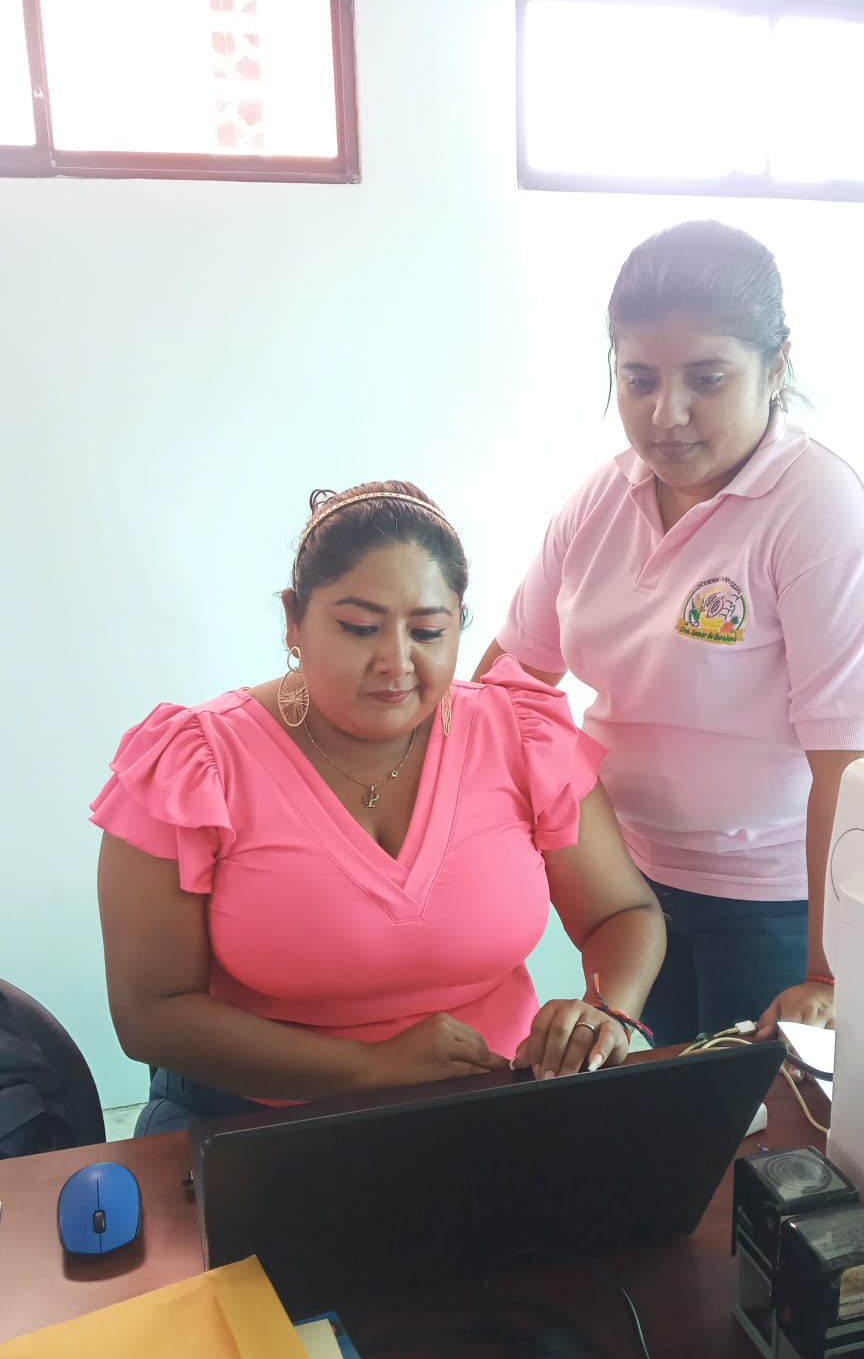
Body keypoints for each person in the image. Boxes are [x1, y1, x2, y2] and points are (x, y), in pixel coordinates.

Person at [92, 482, 665, 1133]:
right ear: (293, 619)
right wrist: (369, 1068)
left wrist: (604, 1010)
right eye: (360, 627)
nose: (396, 663)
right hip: (254, 1119)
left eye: (428, 631)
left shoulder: (521, 736)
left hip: (494, 1098)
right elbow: (151, 1013)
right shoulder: (192, 766)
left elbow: (623, 913)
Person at [476, 220, 864, 1047]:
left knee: (754, 1115)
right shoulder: (601, 499)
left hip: (773, 904)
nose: (667, 415)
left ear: (778, 365)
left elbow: (847, 761)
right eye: (639, 379)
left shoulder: (818, 509)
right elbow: (507, 682)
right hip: (627, 890)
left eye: (707, 379)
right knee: (646, 1102)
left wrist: (828, 971)